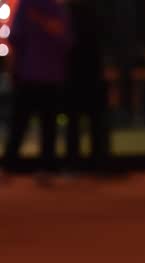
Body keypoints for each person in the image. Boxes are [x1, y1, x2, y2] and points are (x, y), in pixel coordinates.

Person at [2, 0, 71, 180]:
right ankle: (46, 167)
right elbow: (66, 40)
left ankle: (10, 165)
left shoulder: (27, 5)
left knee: (20, 123)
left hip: (30, 73)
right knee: (47, 125)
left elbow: (15, 38)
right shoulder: (56, 8)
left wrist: (13, 67)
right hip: (50, 75)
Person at [64, 0, 110, 174]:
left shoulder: (66, 14)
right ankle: (98, 163)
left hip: (74, 75)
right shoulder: (95, 13)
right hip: (92, 73)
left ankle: (73, 163)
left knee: (74, 124)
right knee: (96, 122)